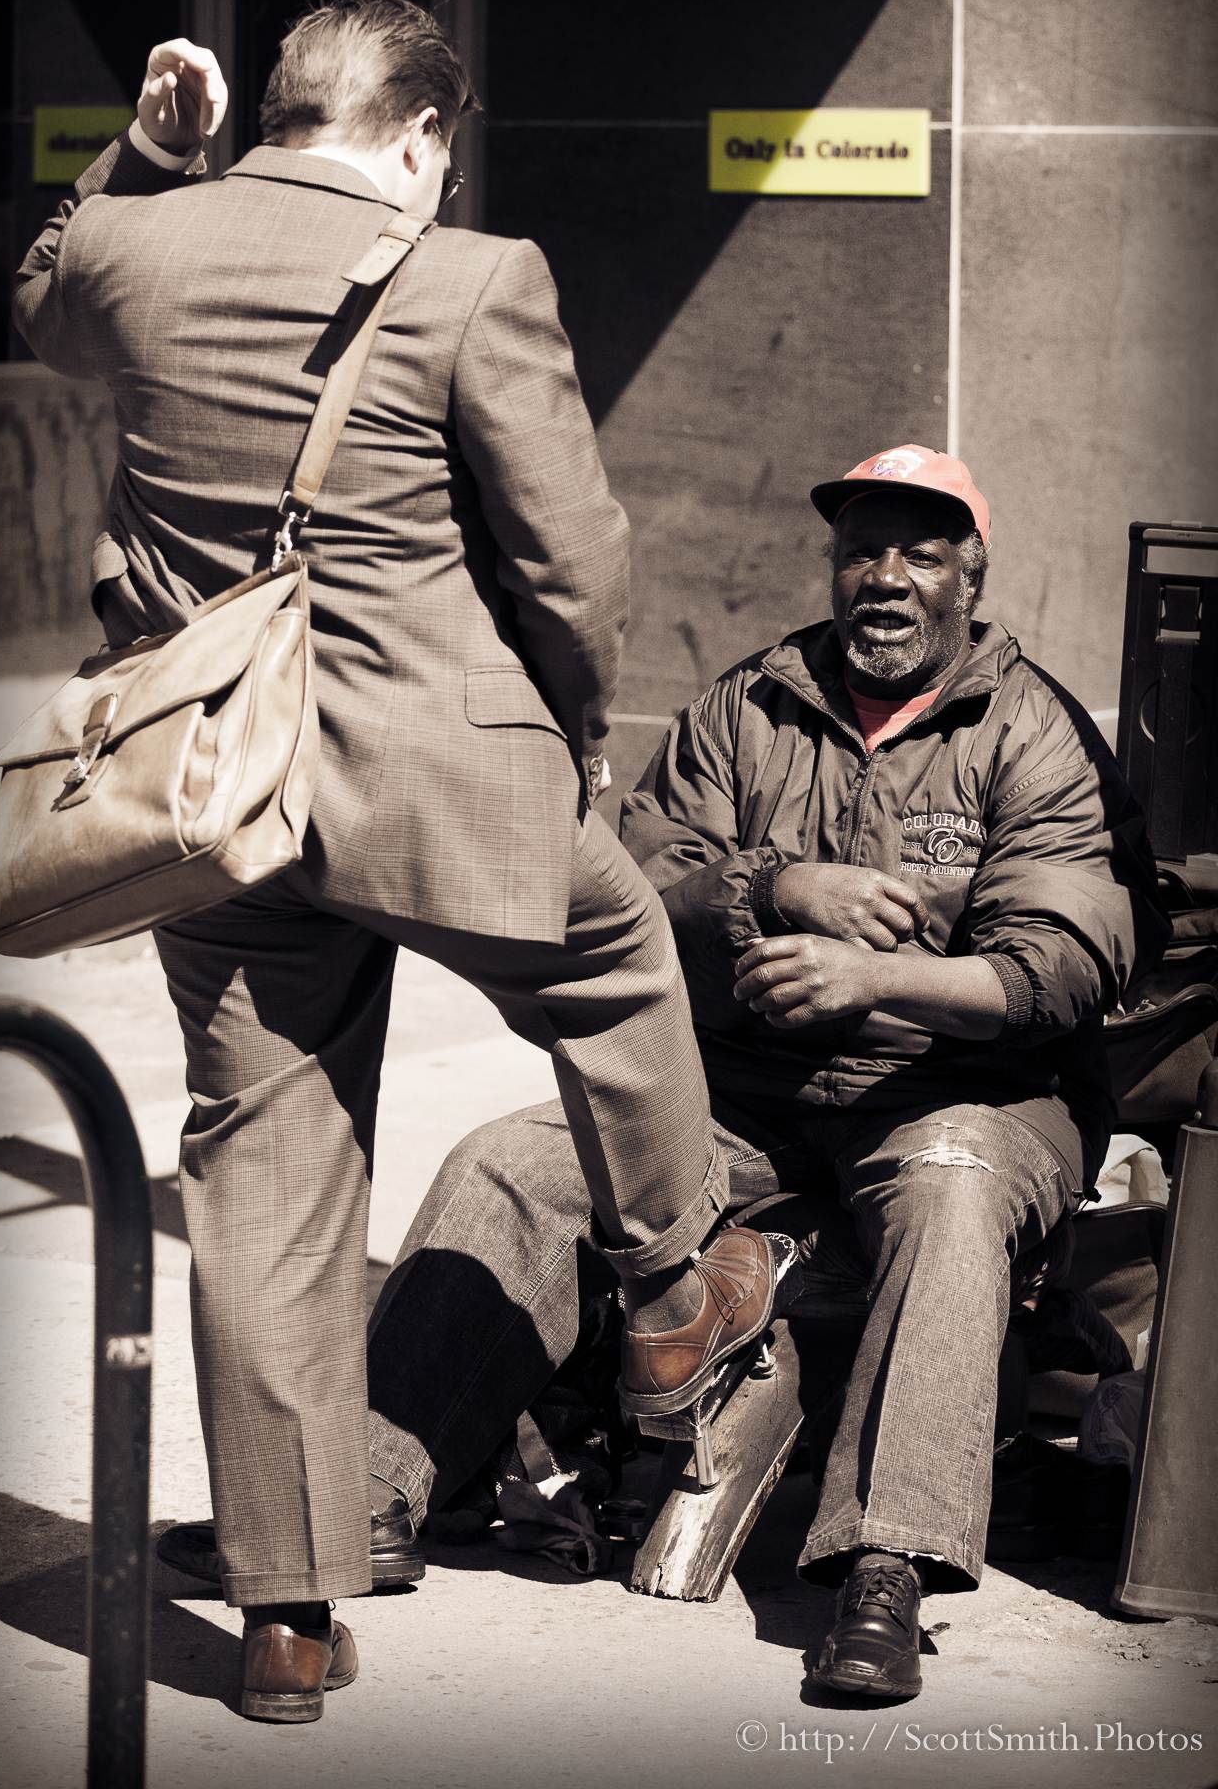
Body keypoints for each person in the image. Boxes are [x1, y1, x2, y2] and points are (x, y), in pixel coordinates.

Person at [12, 0, 779, 1721]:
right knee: (617, 962)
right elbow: (575, 564)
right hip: (450, 785)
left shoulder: (143, 248)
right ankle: (671, 1294)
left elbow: (39, 295)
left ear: (273, 111)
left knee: (266, 1168)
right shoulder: (471, 275)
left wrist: (144, 147)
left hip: (219, 804)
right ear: (423, 133)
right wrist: (576, 738)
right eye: (445, 149)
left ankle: (286, 1615)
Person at [349, 444, 1164, 1702]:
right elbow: (630, 880)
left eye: (920, 554)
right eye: (860, 551)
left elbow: (1060, 968)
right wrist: (777, 887)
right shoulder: (750, 704)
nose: (883, 580)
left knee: (948, 1194)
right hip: (737, 1094)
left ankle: (886, 1566)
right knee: (511, 1164)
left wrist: (874, 979)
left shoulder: (1033, 732)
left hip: (958, 1096)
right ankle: (363, 1493)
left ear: (970, 577)